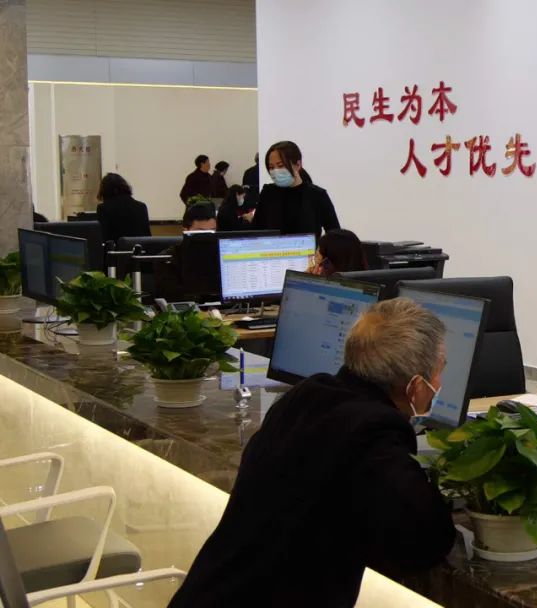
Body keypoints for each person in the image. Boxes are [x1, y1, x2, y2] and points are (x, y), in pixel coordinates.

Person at [168, 298, 457, 607]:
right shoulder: (372, 429)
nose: (439, 382)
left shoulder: (308, 395)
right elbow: (425, 541)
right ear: (415, 386)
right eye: (440, 370)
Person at [253, 141, 340, 236]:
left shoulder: (317, 195)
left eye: (281, 165)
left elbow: (335, 234)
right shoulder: (268, 193)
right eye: (271, 167)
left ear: (298, 164)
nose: (275, 171)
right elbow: (256, 230)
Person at [95, 173, 151, 244]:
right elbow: (147, 236)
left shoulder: (103, 208)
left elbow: (103, 237)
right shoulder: (141, 206)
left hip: (117, 249)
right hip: (141, 249)